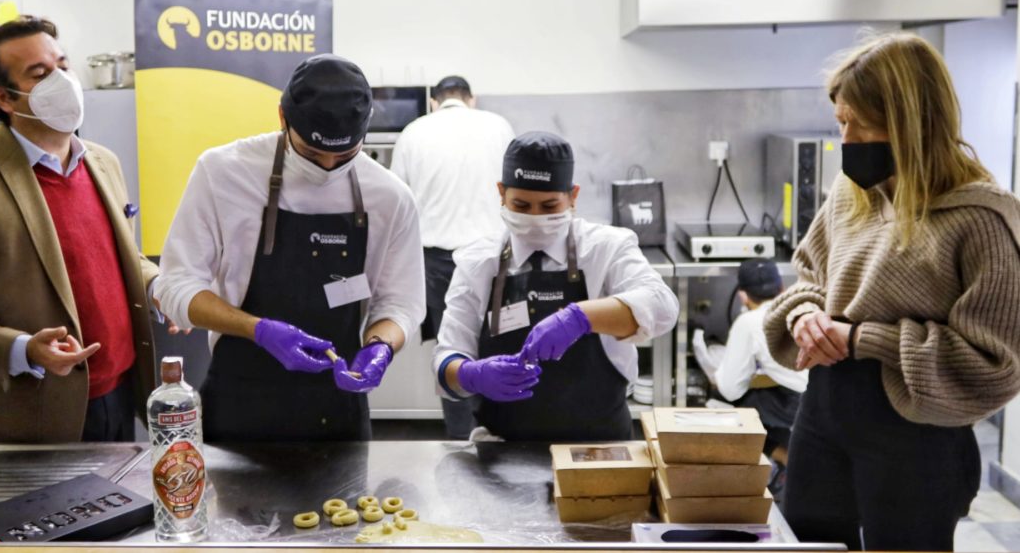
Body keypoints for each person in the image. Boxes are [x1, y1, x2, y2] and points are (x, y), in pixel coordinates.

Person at [763, 33, 1020, 552]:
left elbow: (994, 363)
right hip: (825, 411)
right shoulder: (851, 193)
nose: (846, 138)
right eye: (841, 122)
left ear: (909, 120)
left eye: (858, 123)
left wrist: (863, 339)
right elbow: (809, 274)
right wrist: (805, 316)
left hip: (917, 433)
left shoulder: (981, 219)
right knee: (806, 542)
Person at [154, 54, 425, 442]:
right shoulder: (224, 172)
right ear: (283, 118)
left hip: (338, 406)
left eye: (345, 156)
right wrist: (258, 329)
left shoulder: (390, 196)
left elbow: (401, 303)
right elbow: (174, 285)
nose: (328, 167)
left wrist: (382, 345)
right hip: (240, 399)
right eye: (313, 154)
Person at [0, 16, 160, 442]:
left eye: (63, 64)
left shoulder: (103, 162)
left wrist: (157, 287)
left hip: (123, 390)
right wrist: (21, 348)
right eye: (40, 74)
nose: (62, 80)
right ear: (3, 96)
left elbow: (119, 258)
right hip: (34, 409)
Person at [432, 131, 679, 441]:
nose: (535, 218)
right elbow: (448, 356)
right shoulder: (479, 261)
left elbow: (662, 305)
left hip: (600, 448)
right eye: (521, 205)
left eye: (549, 207)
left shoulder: (606, 248)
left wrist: (581, 318)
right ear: (501, 193)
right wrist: (470, 375)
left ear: (573, 196)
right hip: (502, 450)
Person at [390, 75, 514, 439]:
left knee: (453, 351)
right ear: (470, 99)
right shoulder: (498, 125)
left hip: (438, 262)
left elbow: (398, 202)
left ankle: (461, 442)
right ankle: (501, 437)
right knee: (498, 344)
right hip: (496, 258)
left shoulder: (413, 131)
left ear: (434, 101)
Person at [692, 258, 807, 499]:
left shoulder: (748, 322)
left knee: (734, 404)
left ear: (743, 297)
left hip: (796, 404)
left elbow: (730, 388)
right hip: (822, 395)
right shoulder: (803, 306)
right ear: (782, 288)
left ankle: (786, 460)